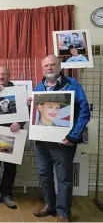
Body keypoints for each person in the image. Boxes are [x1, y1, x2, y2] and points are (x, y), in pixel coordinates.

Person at [29, 55, 90, 222]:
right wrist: (31, 105)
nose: (49, 68)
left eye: (52, 65)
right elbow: (38, 115)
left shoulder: (72, 84)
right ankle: (50, 205)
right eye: (46, 66)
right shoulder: (39, 87)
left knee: (64, 178)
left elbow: (84, 112)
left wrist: (74, 136)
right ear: (42, 69)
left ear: (59, 66)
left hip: (63, 142)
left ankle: (63, 213)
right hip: (41, 142)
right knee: (44, 174)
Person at [0, 66, 27, 209]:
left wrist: (20, 123)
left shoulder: (18, 91)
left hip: (13, 133)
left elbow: (25, 112)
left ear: (9, 75)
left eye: (4, 74)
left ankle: (6, 194)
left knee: (10, 167)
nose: (1, 77)